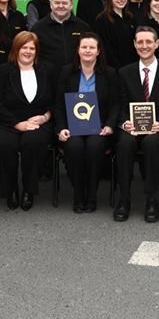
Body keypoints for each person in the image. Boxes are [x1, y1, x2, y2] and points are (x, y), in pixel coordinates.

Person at [114, 26, 159, 223]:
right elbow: (120, 104)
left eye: (148, 42)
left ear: (156, 44)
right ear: (134, 45)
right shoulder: (125, 72)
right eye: (140, 42)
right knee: (125, 144)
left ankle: (152, 199)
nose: (144, 46)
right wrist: (125, 123)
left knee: (151, 143)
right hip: (132, 126)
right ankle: (124, 199)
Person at [0, 31, 54, 210]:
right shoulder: (3, 71)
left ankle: (28, 190)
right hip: (7, 122)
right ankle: (10, 190)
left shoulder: (46, 70)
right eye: (24, 47)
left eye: (32, 48)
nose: (28, 51)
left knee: (33, 143)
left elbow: (55, 101)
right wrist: (17, 123)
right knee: (4, 145)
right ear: (16, 49)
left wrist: (46, 117)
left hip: (38, 122)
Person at [54, 32, 120, 213]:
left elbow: (115, 104)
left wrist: (110, 125)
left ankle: (91, 193)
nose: (88, 51)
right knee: (74, 147)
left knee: (94, 147)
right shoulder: (67, 72)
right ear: (78, 50)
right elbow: (58, 104)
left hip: (99, 129)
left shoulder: (109, 73)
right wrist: (61, 128)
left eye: (92, 47)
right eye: (84, 47)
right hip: (72, 128)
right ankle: (78, 193)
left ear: (98, 51)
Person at [31, 0, 92, 72]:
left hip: (75, 76)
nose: (60, 6)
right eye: (57, 3)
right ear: (50, 4)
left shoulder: (83, 27)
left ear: (71, 5)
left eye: (64, 3)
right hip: (47, 78)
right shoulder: (38, 28)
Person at [92, 0, 137, 69]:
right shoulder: (102, 19)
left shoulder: (130, 18)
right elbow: (104, 48)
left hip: (130, 68)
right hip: (112, 69)